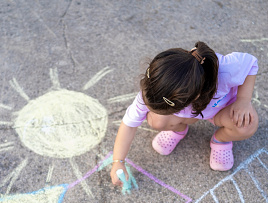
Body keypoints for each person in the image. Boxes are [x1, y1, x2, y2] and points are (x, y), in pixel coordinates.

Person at [110, 41, 259, 187]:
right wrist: (118, 161)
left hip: (221, 110)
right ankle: (177, 129)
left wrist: (243, 100)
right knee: (158, 121)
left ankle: (221, 140)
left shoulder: (226, 70)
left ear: (193, 98)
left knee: (246, 125)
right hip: (193, 113)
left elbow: (251, 63)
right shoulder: (155, 89)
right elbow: (129, 124)